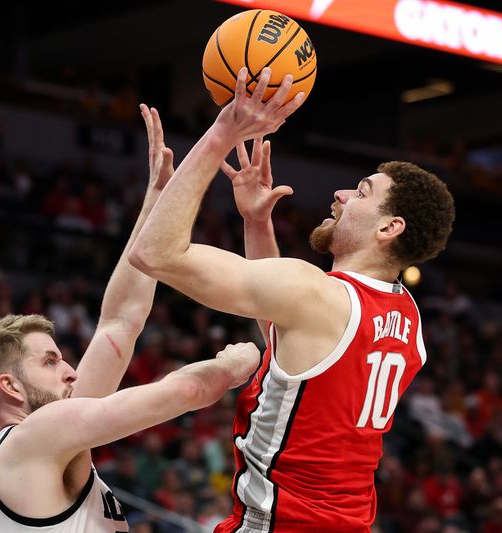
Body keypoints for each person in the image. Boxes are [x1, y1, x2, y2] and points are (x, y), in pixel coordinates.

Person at [129, 67, 455, 531]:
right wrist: (256, 224)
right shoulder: (406, 315)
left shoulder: (315, 292)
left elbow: (155, 253)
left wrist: (223, 131)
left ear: (388, 228)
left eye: (361, 192)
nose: (341, 195)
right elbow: (295, 342)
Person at [0, 104, 261, 533]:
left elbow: (120, 321)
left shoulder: (52, 442)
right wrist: (237, 363)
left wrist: (157, 200)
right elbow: (189, 389)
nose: (68, 371)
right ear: (9, 386)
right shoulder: (31, 439)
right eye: (48, 362)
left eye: (60, 358)